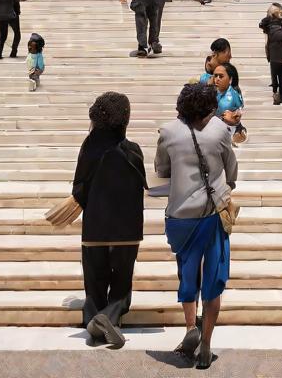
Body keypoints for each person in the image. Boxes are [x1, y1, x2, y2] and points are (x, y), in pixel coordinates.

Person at [155, 82, 238, 369]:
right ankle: (205, 345)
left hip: (179, 216)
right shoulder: (220, 131)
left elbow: (161, 170)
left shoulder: (167, 132)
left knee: (187, 275)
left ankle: (190, 326)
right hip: (211, 214)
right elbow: (232, 170)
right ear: (210, 109)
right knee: (213, 280)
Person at [72, 91, 147, 349]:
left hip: (95, 227)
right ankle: (111, 316)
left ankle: (93, 317)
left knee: (94, 279)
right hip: (127, 229)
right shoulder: (133, 152)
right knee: (122, 280)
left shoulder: (90, 148)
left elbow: (78, 188)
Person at [212, 62, 244, 136]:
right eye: (215, 76)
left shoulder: (234, 95)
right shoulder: (210, 92)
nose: (217, 79)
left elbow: (239, 112)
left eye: (221, 76)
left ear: (230, 79)